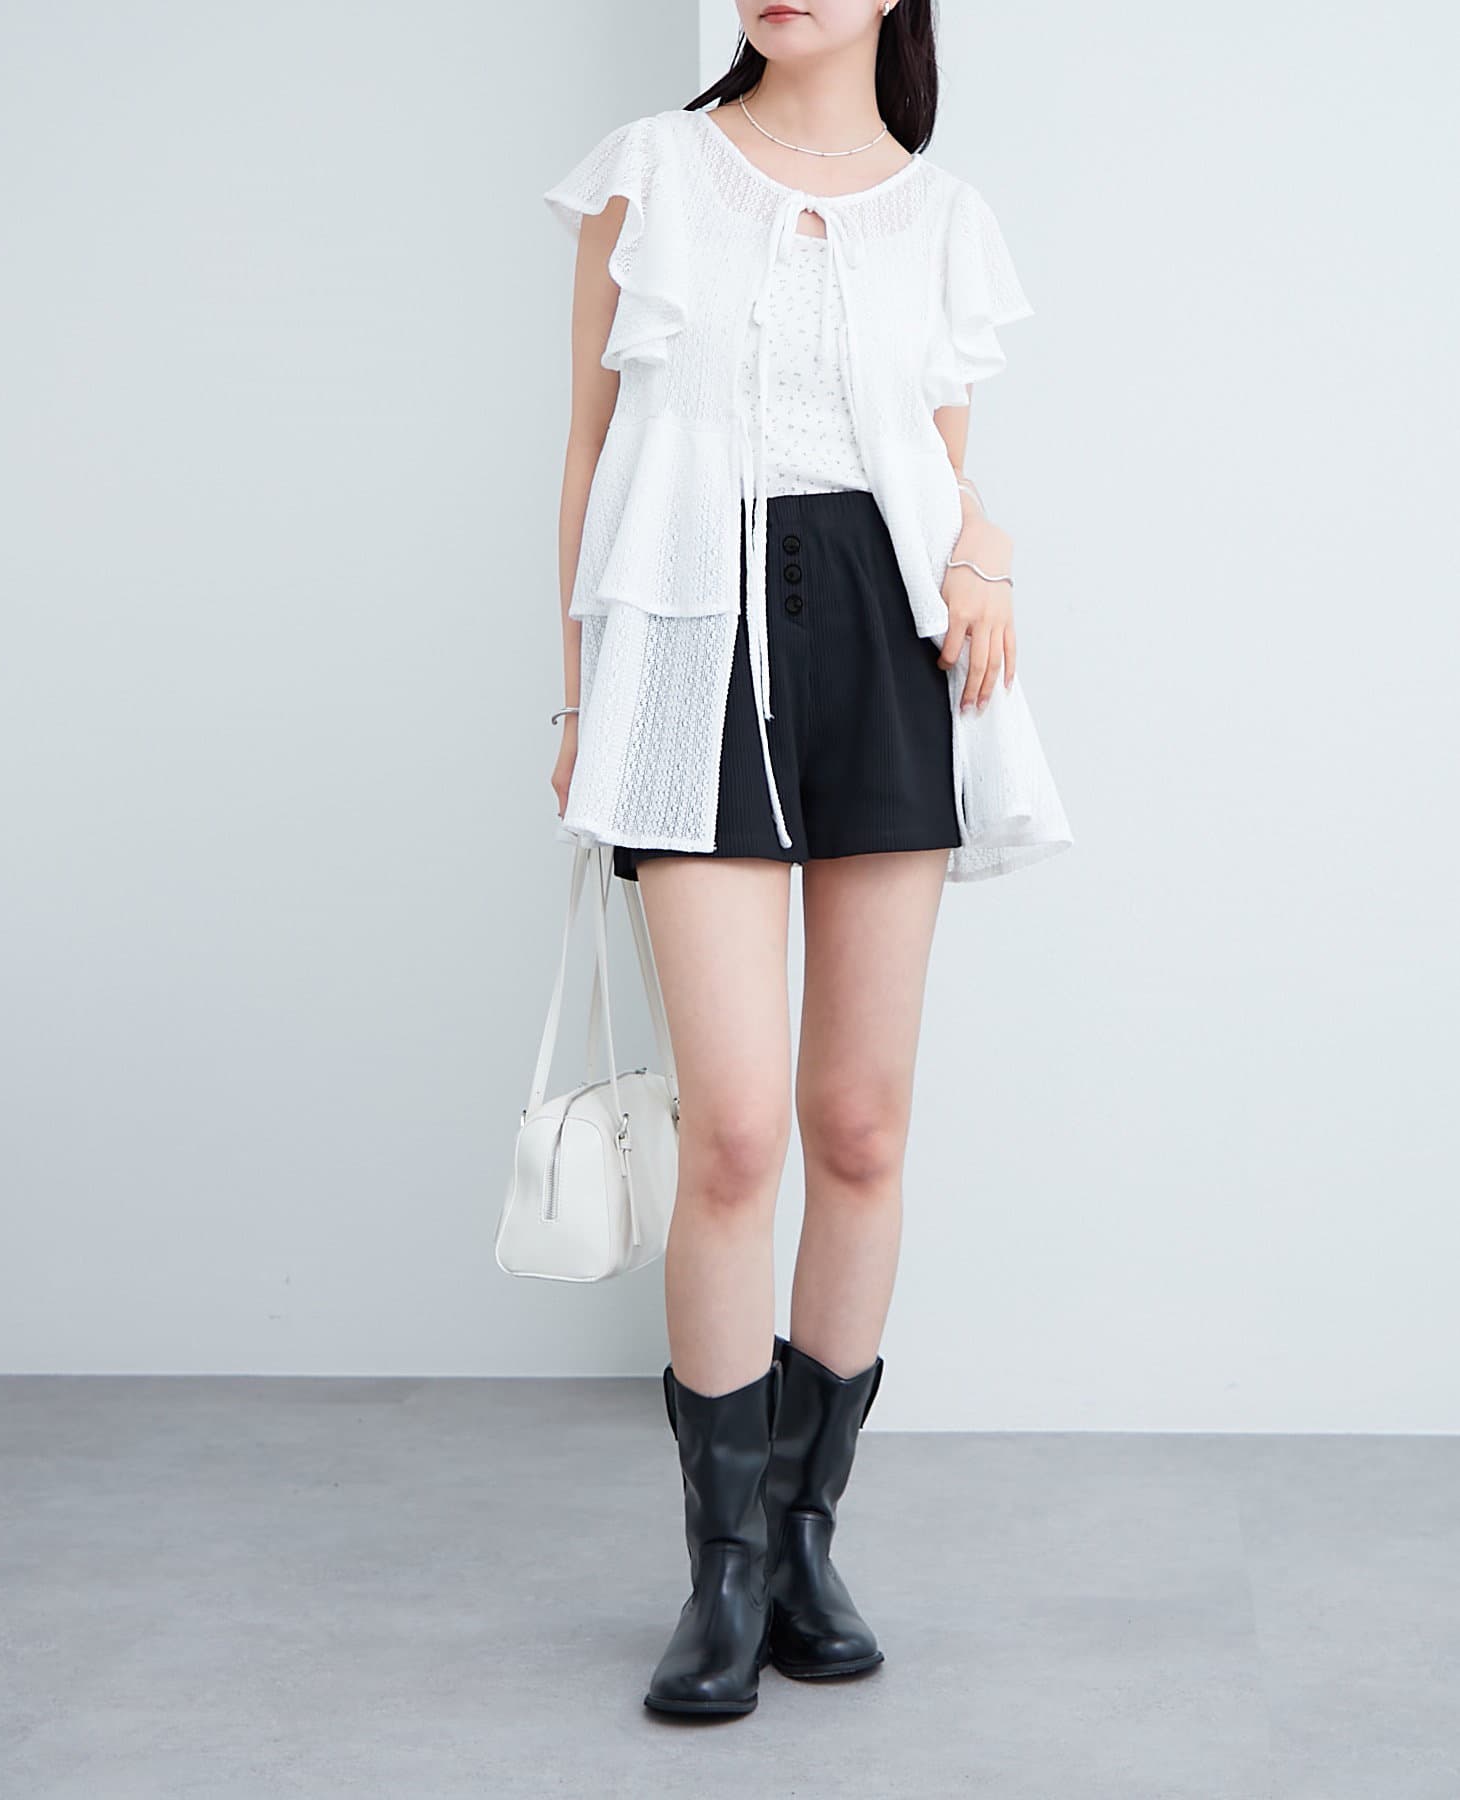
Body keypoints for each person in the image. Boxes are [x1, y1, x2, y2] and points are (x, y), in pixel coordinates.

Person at [540, 0, 1072, 1720]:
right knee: (735, 1131)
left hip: (885, 641)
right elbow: (587, 446)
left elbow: (946, 472)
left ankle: (801, 1533)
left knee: (858, 1125)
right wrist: (579, 694)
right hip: (691, 631)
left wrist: (988, 552)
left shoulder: (942, 213)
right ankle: (719, 1572)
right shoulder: (652, 175)